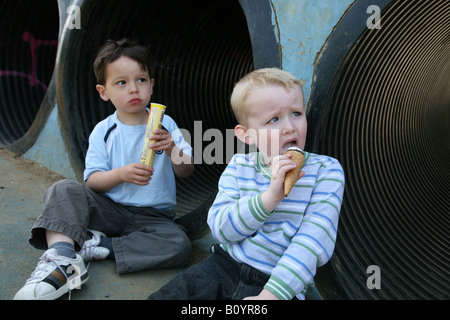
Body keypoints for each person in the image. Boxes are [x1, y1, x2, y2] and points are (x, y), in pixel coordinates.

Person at [14, 39, 194, 300]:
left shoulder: (165, 124)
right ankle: (63, 258)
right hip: (109, 209)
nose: (134, 89)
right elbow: (93, 182)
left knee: (179, 245)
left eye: (141, 80)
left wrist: (172, 148)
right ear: (103, 91)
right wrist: (121, 175)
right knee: (63, 189)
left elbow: (186, 171)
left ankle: (96, 245)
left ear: (152, 85)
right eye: (121, 83)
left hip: (154, 217)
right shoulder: (104, 130)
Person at [148, 68, 345, 300]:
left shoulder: (326, 171)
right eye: (274, 119)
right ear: (247, 135)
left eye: (296, 113)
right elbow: (221, 230)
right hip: (222, 267)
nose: (290, 127)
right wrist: (268, 199)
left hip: (278, 284)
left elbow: (312, 243)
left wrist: (270, 296)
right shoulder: (240, 165)